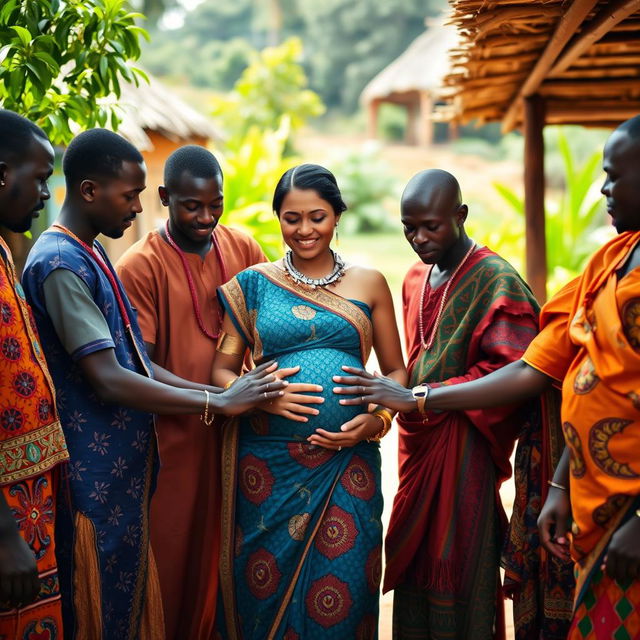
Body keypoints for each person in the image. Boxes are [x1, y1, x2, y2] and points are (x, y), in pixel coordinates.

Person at [335, 117, 640, 640]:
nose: (602, 189)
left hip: (499, 464)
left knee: (463, 571)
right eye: (410, 227)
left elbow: (520, 373)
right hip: (576, 491)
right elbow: (553, 369)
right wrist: (560, 483)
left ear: (461, 216)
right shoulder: (609, 262)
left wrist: (419, 398)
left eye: (613, 175)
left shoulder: (496, 279)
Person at [21, 129, 285, 639]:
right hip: (96, 475)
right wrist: (217, 399)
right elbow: (113, 378)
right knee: (109, 604)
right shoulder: (63, 262)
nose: (136, 206)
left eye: (216, 206)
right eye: (130, 195)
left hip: (127, 468)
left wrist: (229, 398)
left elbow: (132, 362)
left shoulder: (89, 252)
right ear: (90, 191)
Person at [212, 163, 407, 639]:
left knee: (345, 593)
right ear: (277, 217)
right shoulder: (253, 284)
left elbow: (397, 373)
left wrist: (376, 422)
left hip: (348, 465)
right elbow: (221, 371)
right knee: (261, 595)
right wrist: (262, 399)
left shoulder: (370, 283)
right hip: (269, 469)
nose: (304, 230)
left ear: (338, 215)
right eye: (291, 218)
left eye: (316, 217)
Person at [116, 145, 280, 638]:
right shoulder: (139, 266)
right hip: (174, 441)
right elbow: (140, 365)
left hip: (243, 435)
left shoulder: (244, 249)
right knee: (176, 560)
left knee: (237, 554)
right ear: (164, 197)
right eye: (192, 206)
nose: (206, 217)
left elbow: (274, 329)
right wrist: (218, 400)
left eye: (216, 205)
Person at [0, 109, 69, 639]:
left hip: (29, 503)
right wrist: (3, 532)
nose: (46, 193)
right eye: (40, 177)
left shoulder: (3, 250)